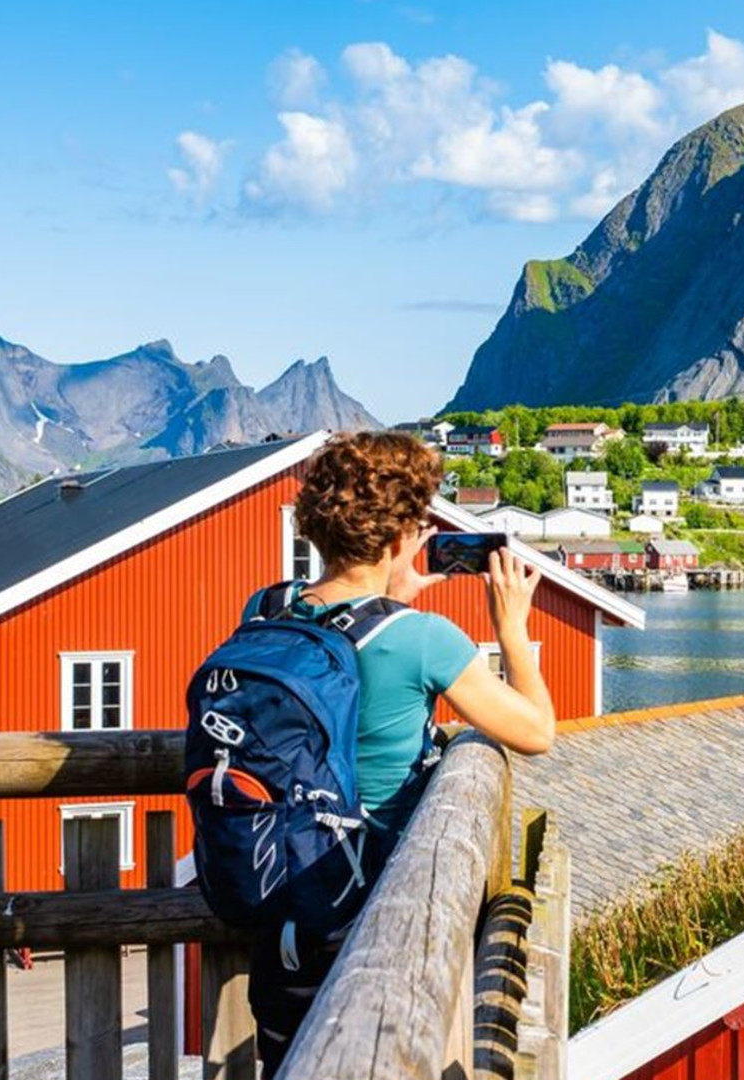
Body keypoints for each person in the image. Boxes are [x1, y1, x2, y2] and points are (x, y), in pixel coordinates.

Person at [245, 431, 556, 1075]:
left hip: (279, 898)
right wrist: (511, 627)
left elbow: (342, 644)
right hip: (370, 909)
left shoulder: (267, 608)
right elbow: (536, 732)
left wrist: (390, 595)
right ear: (399, 539)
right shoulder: (422, 639)